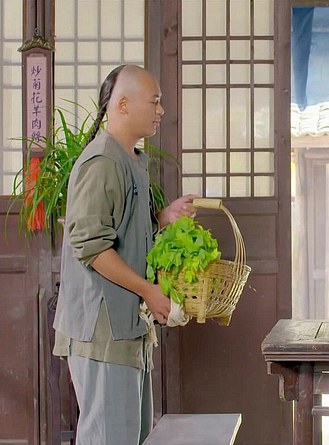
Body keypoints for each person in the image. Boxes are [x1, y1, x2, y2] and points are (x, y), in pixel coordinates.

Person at [52, 64, 196, 445]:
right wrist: (149, 291)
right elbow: (92, 247)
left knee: (130, 436)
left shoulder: (129, 160)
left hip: (125, 327)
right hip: (102, 330)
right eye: (155, 101)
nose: (161, 110)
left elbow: (125, 235)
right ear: (123, 105)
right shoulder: (102, 162)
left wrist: (163, 218)